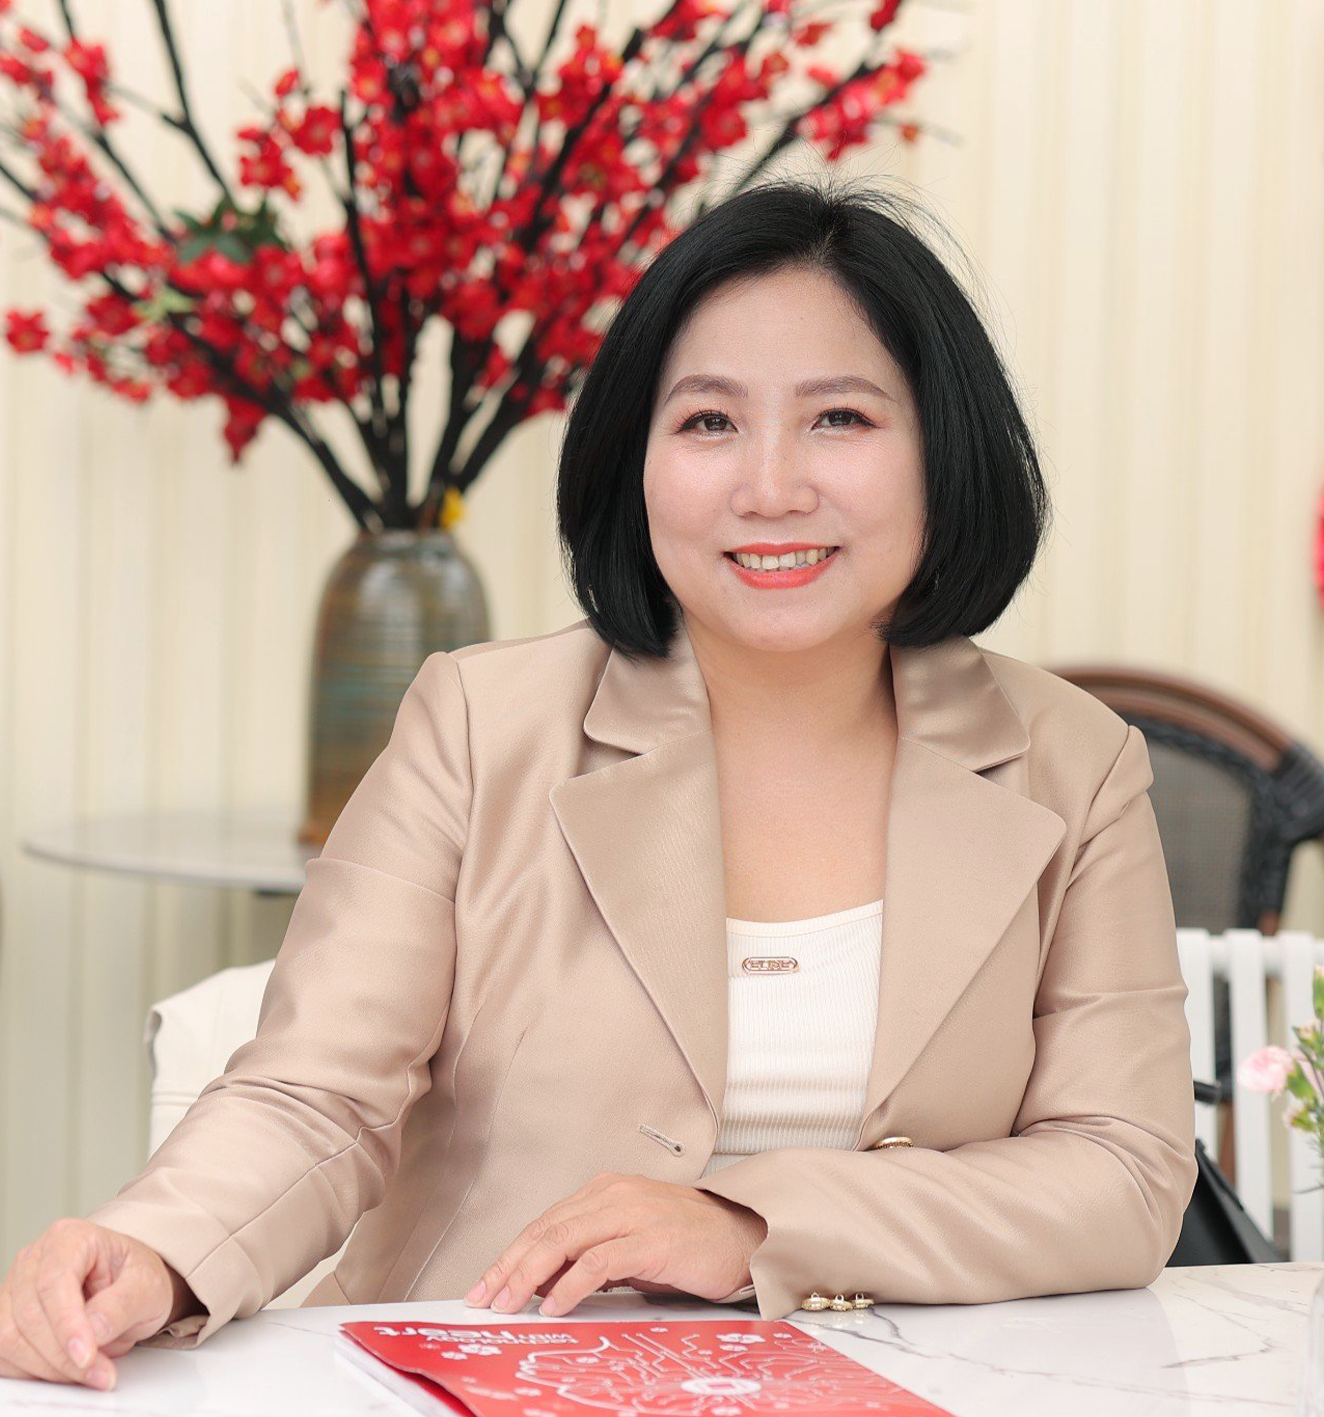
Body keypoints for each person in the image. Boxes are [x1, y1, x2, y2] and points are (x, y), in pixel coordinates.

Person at [0, 174, 1197, 1391]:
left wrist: (750, 1224)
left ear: (945, 448)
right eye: (708, 422)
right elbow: (318, 1096)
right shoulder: (481, 726)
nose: (770, 486)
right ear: (635, 458)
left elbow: (1123, 1169)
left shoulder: (1072, 762)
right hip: (485, 1375)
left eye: (839, 418)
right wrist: (153, 1250)